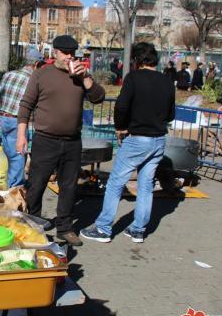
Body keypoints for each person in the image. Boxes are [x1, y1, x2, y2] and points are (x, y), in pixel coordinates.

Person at [81, 42, 175, 244]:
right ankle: (138, 229)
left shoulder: (134, 78)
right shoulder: (167, 81)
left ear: (136, 60)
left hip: (137, 138)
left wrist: (120, 126)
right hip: (158, 139)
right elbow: (171, 114)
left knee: (115, 183)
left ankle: (104, 228)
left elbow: (121, 107)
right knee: (146, 185)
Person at [16, 35, 105, 246]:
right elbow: (26, 105)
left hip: (72, 141)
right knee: (37, 184)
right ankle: (34, 225)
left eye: (73, 53)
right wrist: (21, 135)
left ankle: (65, 228)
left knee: (69, 187)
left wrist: (85, 79)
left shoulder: (81, 76)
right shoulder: (42, 74)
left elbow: (98, 97)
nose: (69, 57)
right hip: (45, 140)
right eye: (65, 53)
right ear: (55, 52)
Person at [0, 47, 43, 188]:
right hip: (17, 121)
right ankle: (15, 189)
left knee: (7, 153)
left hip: (3, 118)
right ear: (36, 64)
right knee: (18, 156)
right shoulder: (33, 80)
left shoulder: (9, 74)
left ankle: (7, 183)